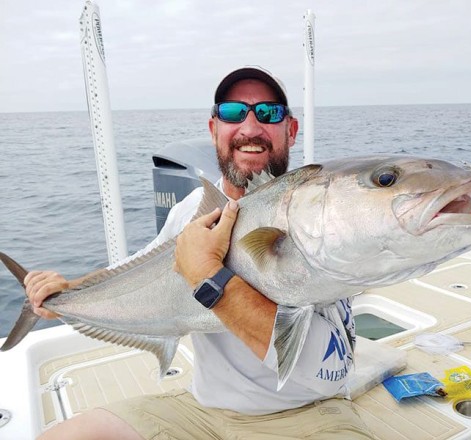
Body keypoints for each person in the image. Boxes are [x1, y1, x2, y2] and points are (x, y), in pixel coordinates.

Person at [25, 66, 373, 440]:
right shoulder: (189, 211)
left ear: (290, 129)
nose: (250, 127)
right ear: (214, 130)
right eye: (232, 113)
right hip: (202, 414)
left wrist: (209, 276)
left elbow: (330, 369)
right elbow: (139, 274)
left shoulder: (315, 214)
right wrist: (66, 291)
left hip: (309, 415)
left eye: (269, 112)